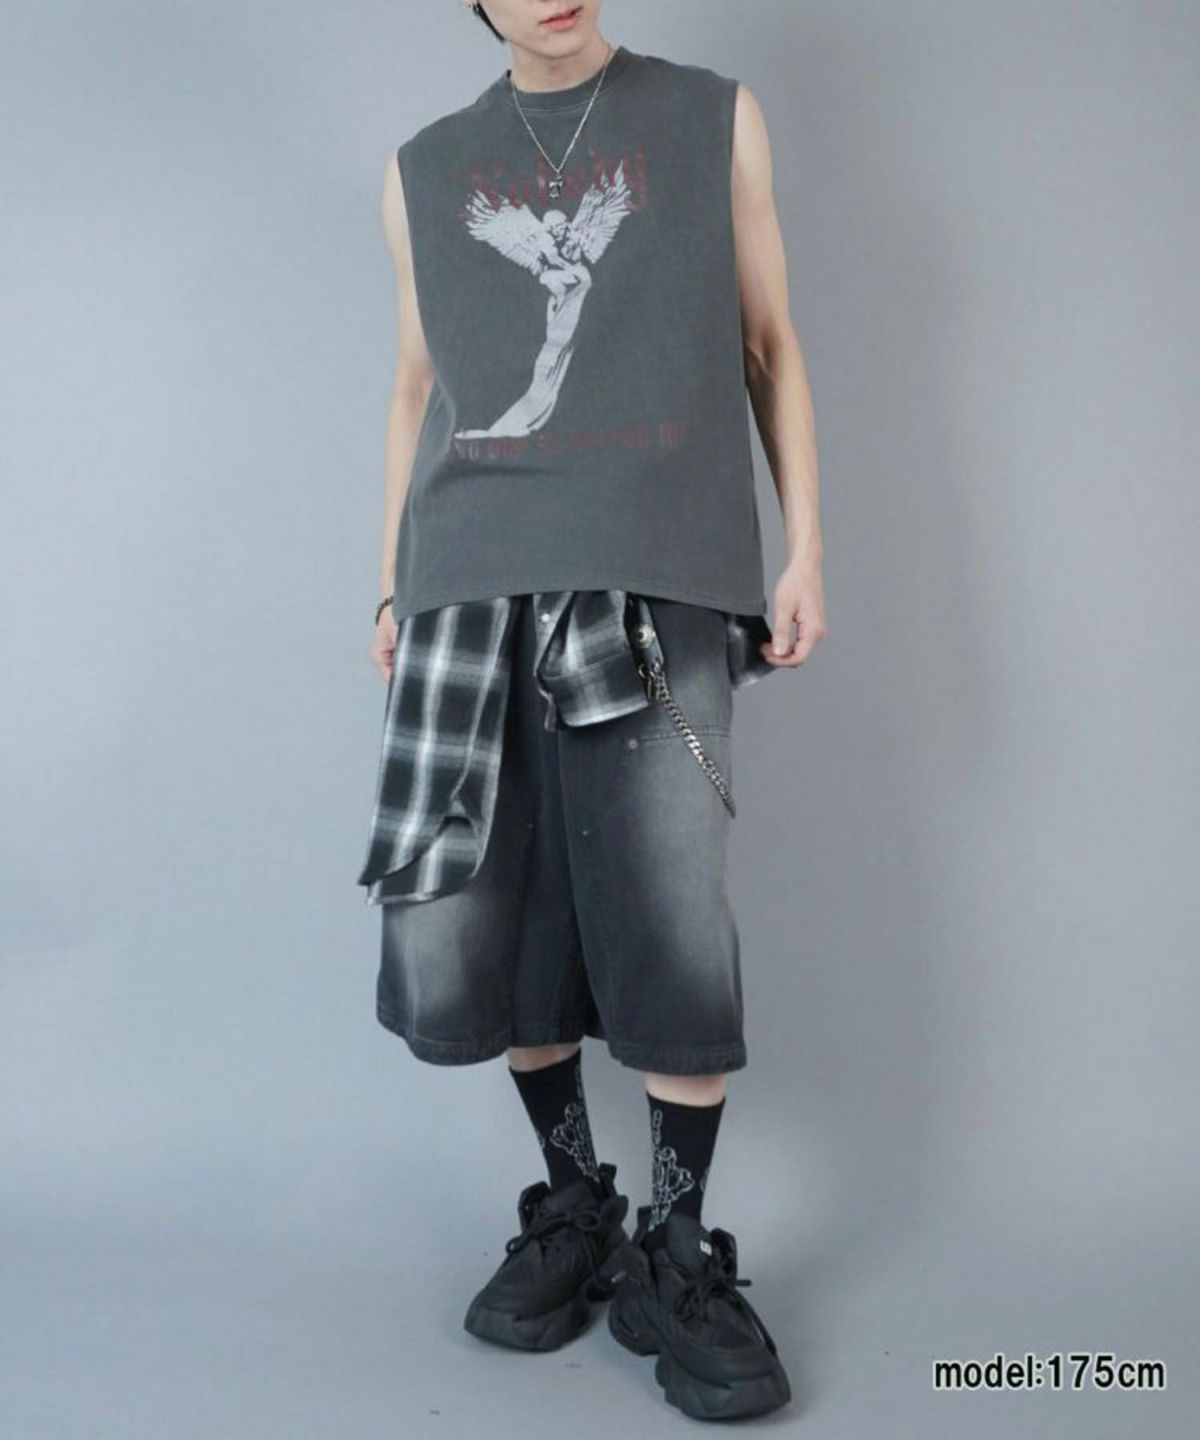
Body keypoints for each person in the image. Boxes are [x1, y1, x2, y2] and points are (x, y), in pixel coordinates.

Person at [355, 0, 825, 1422]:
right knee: (500, 927)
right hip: (471, 582)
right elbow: (417, 387)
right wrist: (390, 585)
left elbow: (767, 342)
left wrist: (806, 548)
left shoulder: (711, 118)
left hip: (655, 571)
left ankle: (677, 1251)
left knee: (673, 921)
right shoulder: (423, 167)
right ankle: (577, 1204)